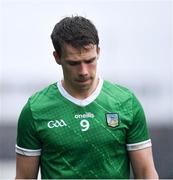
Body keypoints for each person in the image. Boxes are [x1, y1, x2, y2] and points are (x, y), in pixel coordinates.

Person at [15, 15, 158, 179]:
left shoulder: (126, 103)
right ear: (57, 58)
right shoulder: (35, 110)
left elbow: (146, 173)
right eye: (74, 63)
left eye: (90, 60)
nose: (83, 71)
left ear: (98, 52)